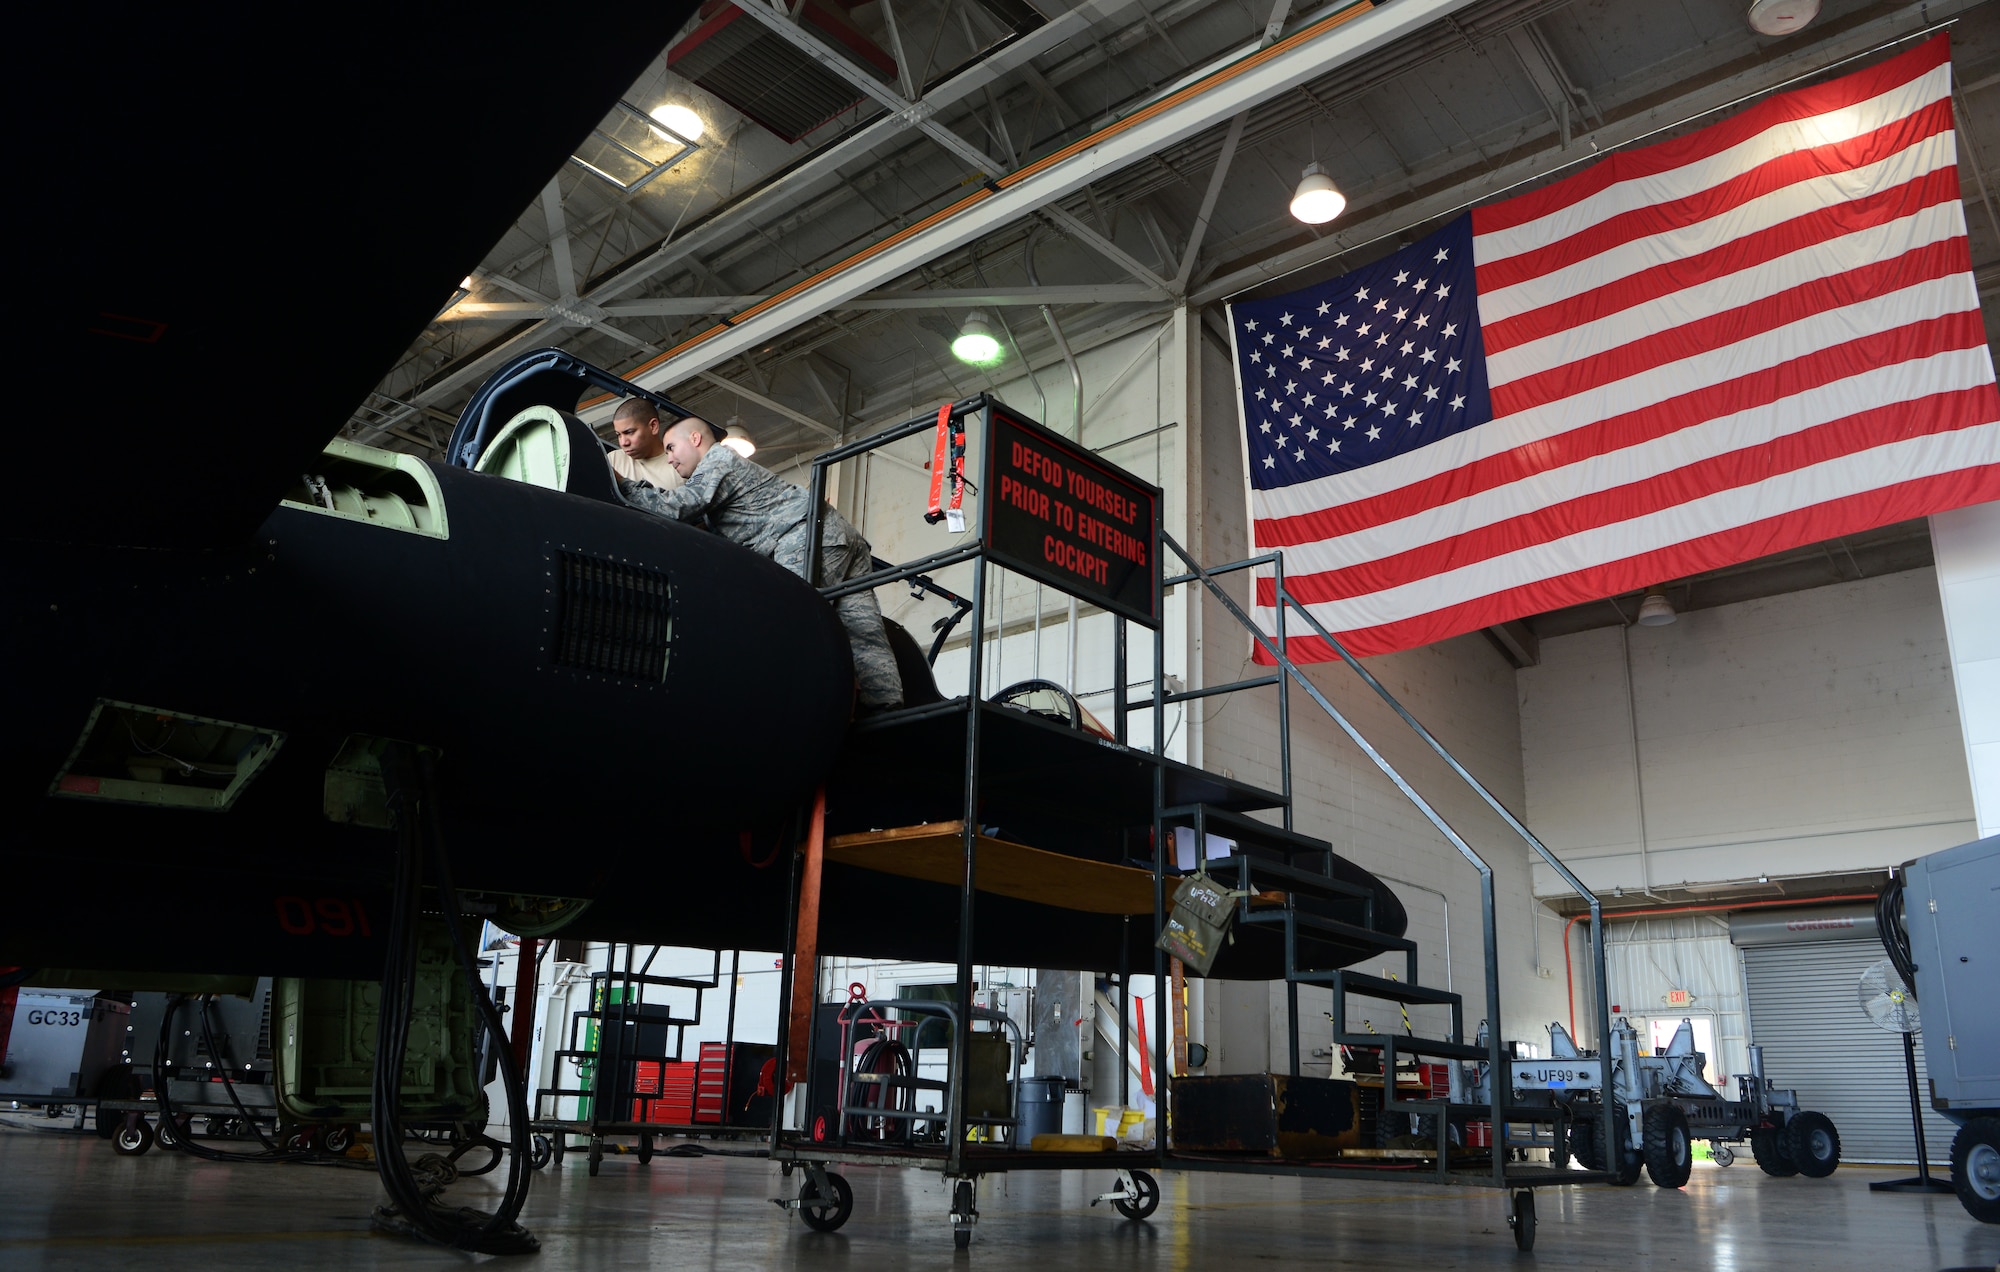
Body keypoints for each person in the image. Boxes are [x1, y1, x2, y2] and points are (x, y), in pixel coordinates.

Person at [616, 415, 903, 711]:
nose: (671, 460)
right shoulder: (724, 478)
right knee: (861, 628)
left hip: (804, 536)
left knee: (795, 619)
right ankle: (885, 703)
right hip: (837, 536)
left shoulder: (718, 460)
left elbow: (676, 507)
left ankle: (801, 706)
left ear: (696, 439)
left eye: (672, 448)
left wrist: (624, 485)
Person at [605, 398, 684, 493]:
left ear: (653, 426)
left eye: (629, 432)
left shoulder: (682, 464)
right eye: (618, 434)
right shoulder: (613, 460)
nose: (623, 442)